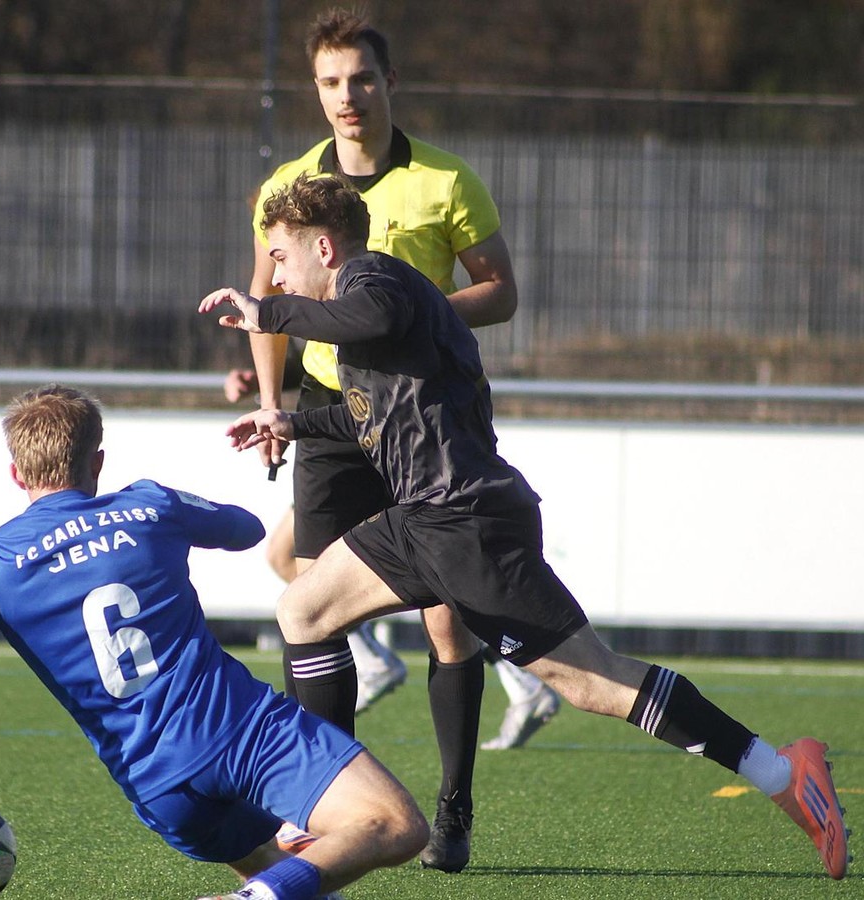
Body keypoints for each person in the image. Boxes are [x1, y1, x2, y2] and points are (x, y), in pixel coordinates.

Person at [199, 175, 852, 881]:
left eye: (281, 256)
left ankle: (783, 774)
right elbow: (369, 415)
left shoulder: (375, 280)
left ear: (322, 248)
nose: (276, 271)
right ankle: (320, 811)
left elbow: (375, 320)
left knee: (594, 683)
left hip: (468, 523)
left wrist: (270, 313)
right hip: (423, 520)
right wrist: (291, 421)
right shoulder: (365, 311)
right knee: (304, 607)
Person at [0, 384, 428, 900]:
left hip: (160, 787)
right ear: (97, 460)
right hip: (240, 729)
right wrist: (174, 506)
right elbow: (249, 530)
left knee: (302, 882)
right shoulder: (148, 504)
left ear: (17, 474)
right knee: (396, 826)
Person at [243, 8, 557, 870]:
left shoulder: (447, 181)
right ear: (316, 90)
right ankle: (325, 806)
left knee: (446, 626)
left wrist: (414, 317)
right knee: (312, 605)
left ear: (389, 83)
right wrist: (270, 401)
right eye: (332, 82)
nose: (349, 96)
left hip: (422, 426)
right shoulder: (285, 190)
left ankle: (452, 810)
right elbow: (270, 303)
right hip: (334, 423)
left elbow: (501, 290)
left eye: (363, 79)